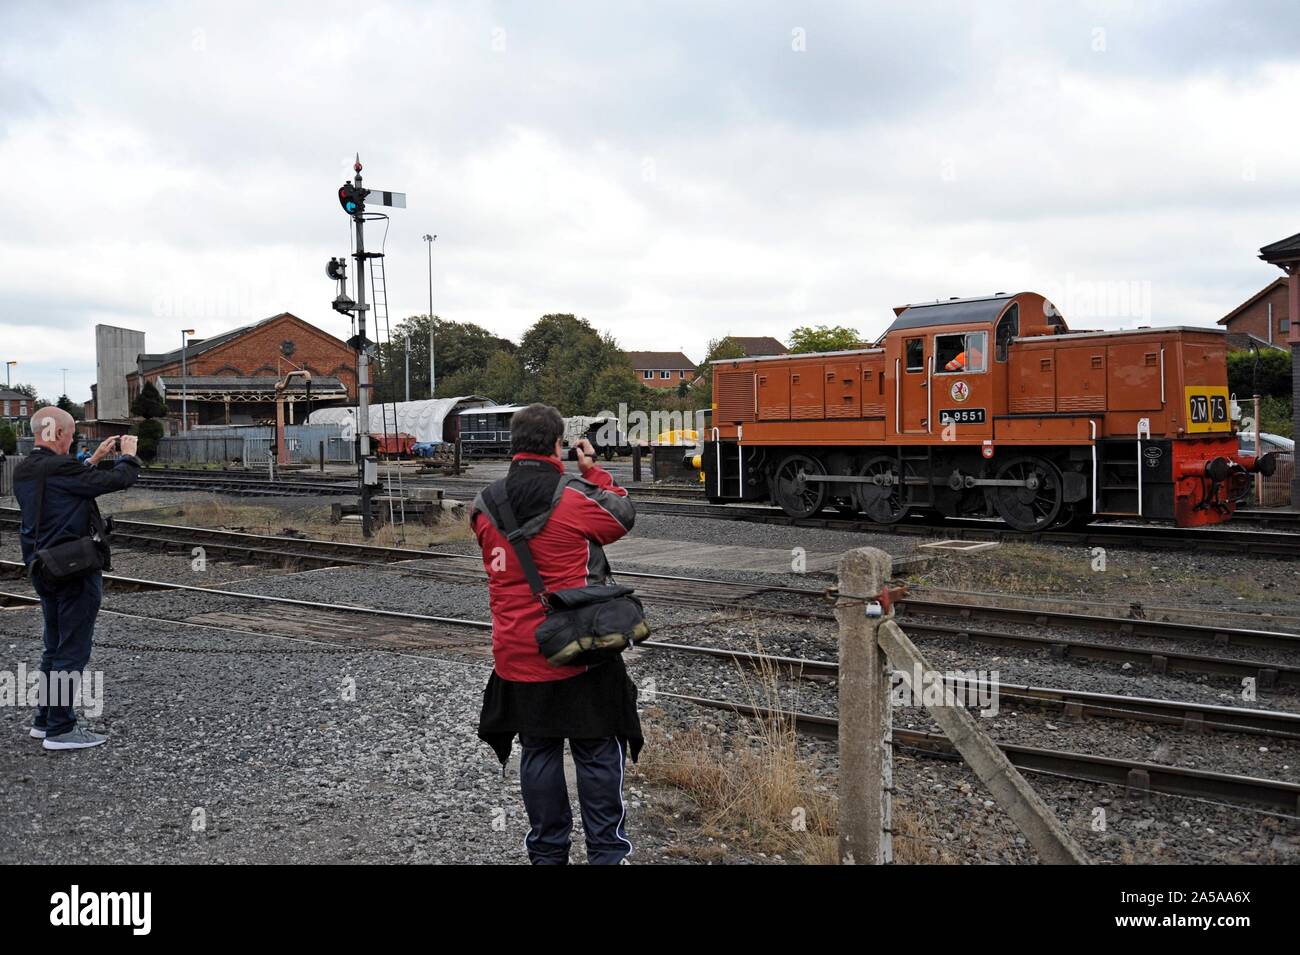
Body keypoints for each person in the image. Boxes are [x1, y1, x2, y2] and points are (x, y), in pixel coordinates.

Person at [471, 403, 640, 864]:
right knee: (597, 749)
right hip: (579, 650)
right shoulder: (572, 495)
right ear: (557, 445)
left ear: (512, 443)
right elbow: (620, 518)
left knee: (539, 751)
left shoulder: (484, 504)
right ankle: (606, 854)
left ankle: (547, 855)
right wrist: (597, 474)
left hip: (517, 653)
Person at [13, 409, 140, 750]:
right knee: (72, 651)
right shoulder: (60, 468)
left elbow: (68, 487)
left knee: (53, 646)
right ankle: (61, 728)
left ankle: (45, 720)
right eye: (70, 435)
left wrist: (95, 459)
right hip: (74, 569)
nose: (72, 441)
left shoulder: (25, 469)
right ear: (57, 434)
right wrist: (128, 455)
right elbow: (118, 481)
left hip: (43, 568)